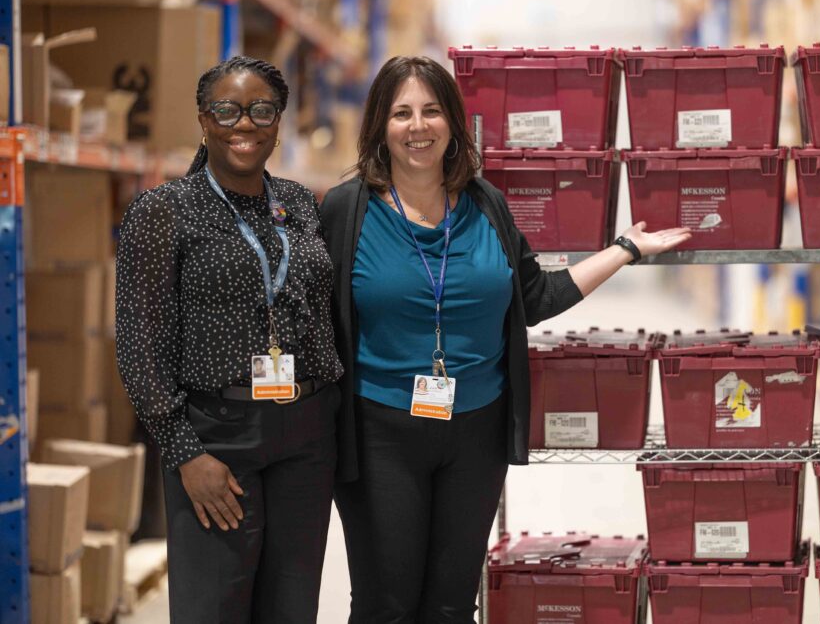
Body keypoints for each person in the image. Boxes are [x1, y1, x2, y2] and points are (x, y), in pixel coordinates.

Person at [320, 55, 690, 622]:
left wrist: (626, 249)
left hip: (476, 434)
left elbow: (535, 296)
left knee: (450, 604)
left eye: (431, 111)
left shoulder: (485, 204)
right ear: (379, 126)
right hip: (380, 435)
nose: (417, 127)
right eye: (401, 114)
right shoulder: (349, 210)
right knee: (385, 604)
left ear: (453, 124)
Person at [115, 55, 350, 624]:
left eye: (260, 110)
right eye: (227, 110)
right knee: (211, 607)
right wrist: (184, 452)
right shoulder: (163, 210)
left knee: (291, 607)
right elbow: (138, 340)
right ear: (204, 119)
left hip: (306, 432)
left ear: (278, 123)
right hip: (215, 436)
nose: (244, 124)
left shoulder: (296, 202)